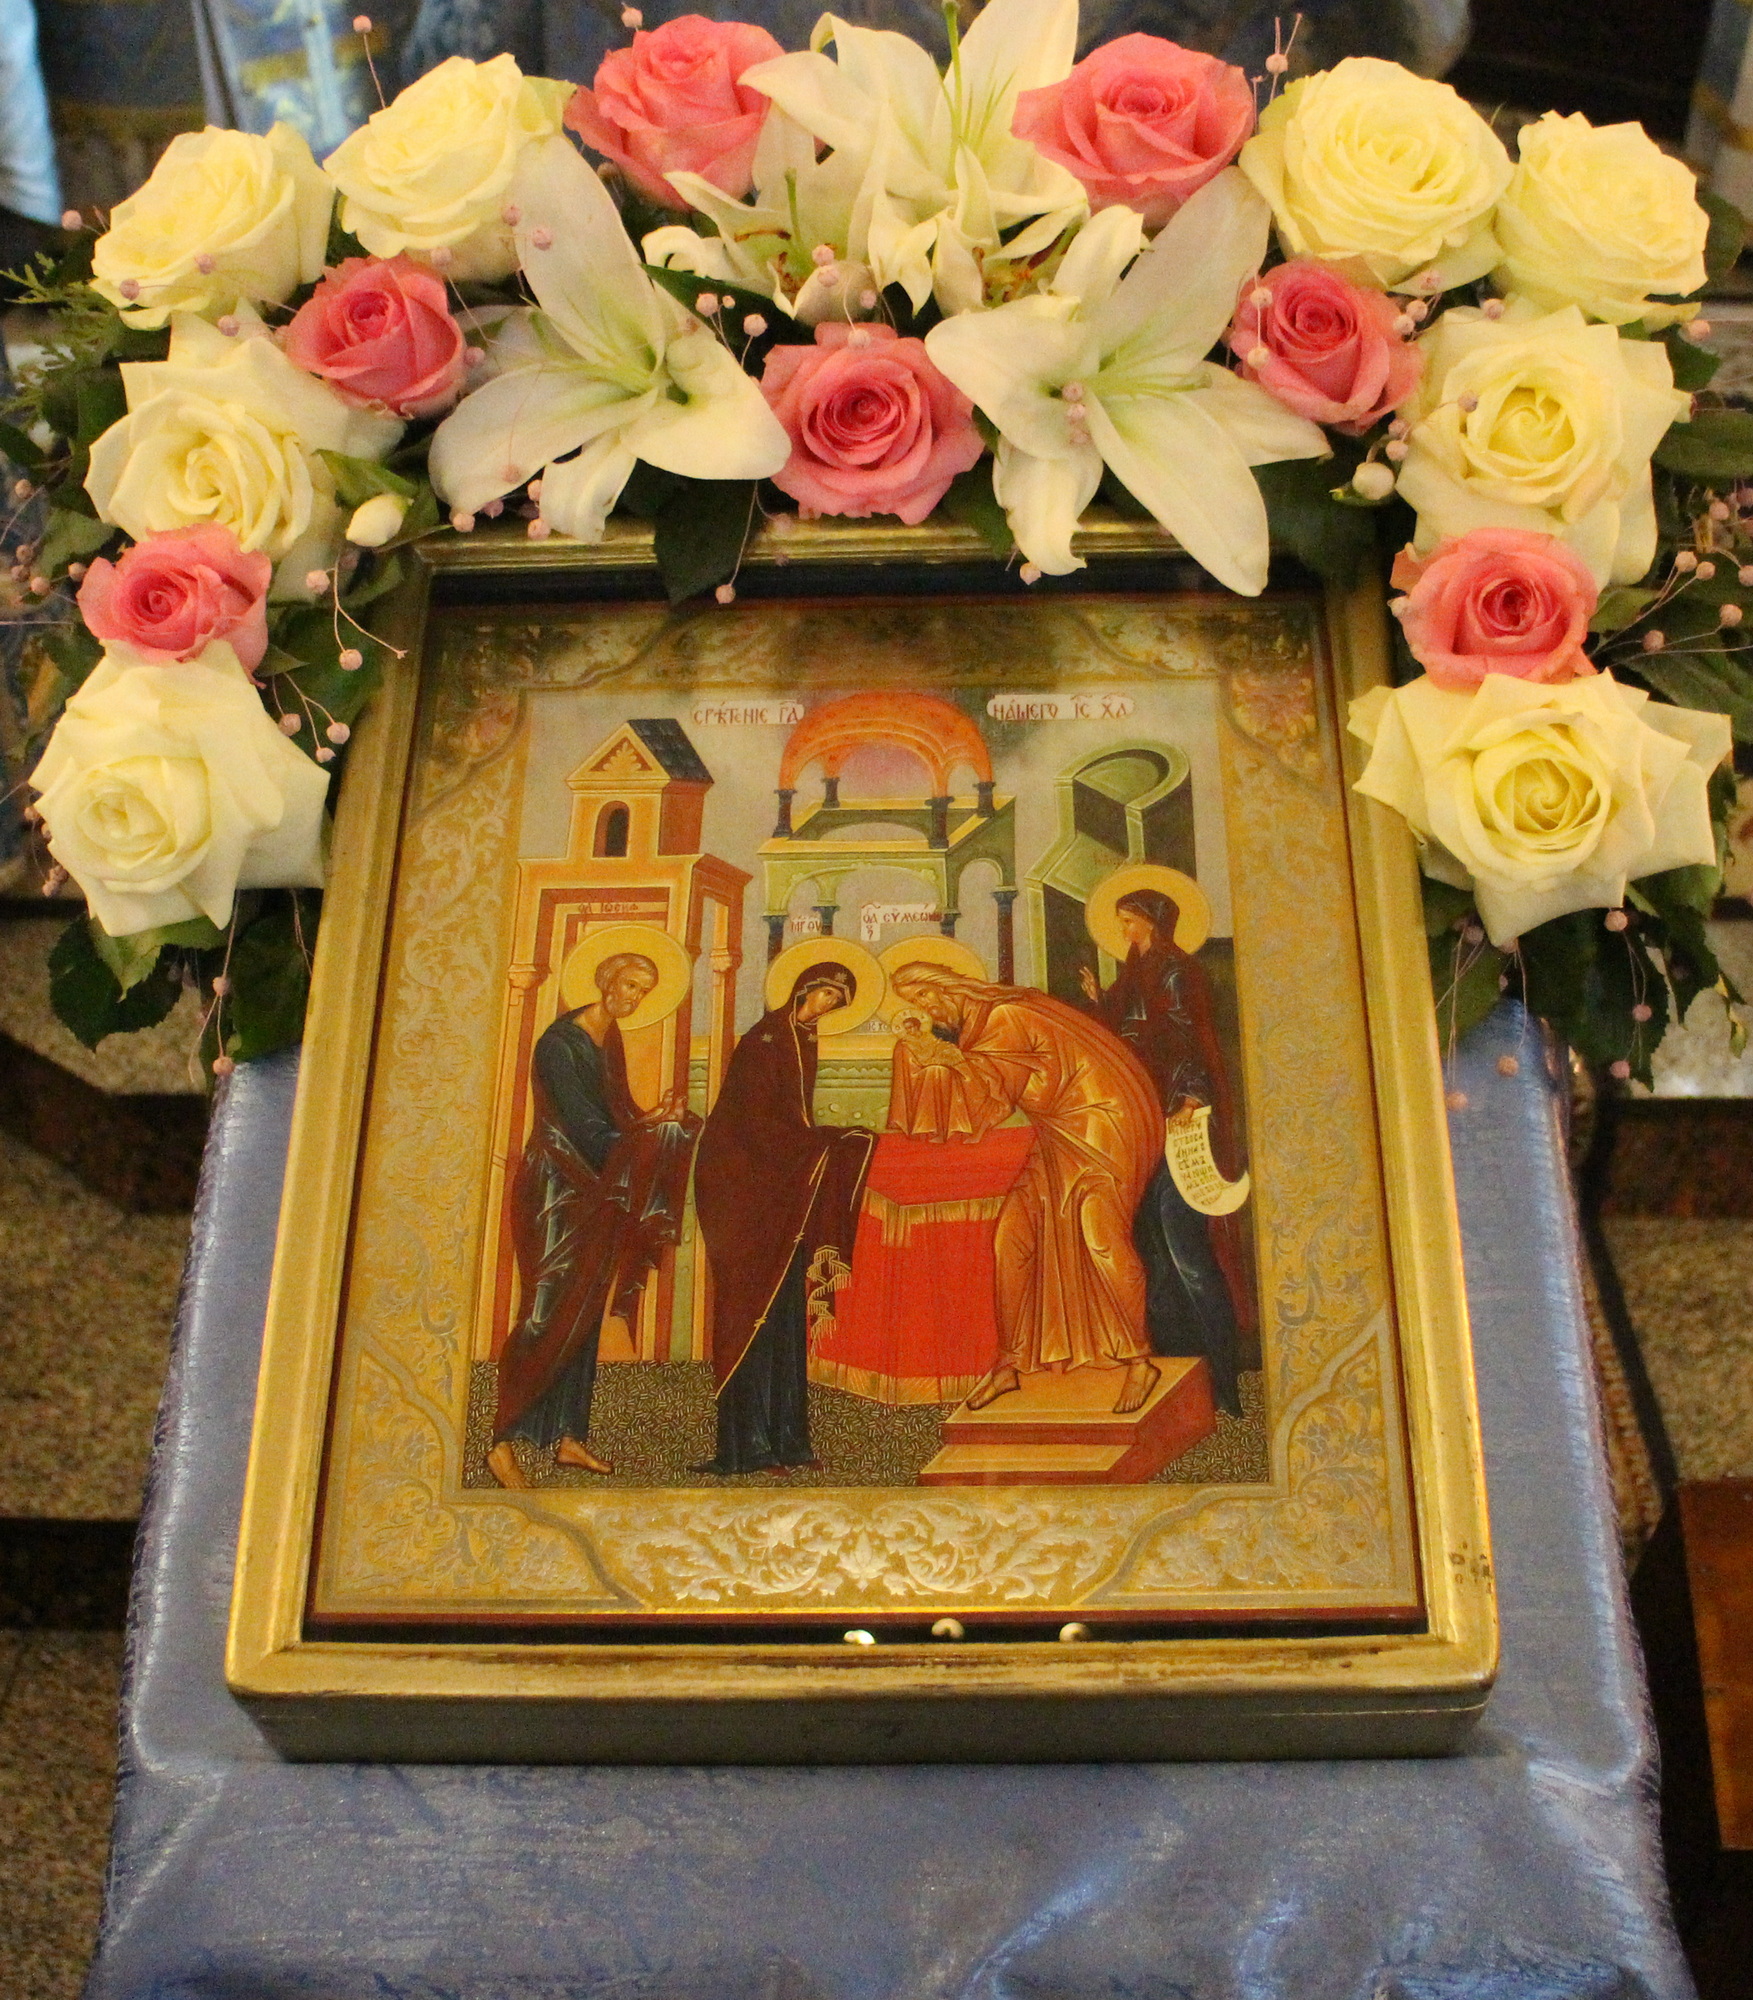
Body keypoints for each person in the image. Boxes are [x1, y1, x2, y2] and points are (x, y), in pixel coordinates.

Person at [886, 961, 1162, 1415]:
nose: (926, 1010)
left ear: (947, 987)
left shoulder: (1003, 1017)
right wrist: (929, 1055)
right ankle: (1008, 1364)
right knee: (1012, 1237)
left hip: (1099, 1124)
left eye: (925, 997)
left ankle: (1139, 1358)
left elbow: (991, 1100)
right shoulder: (981, 1026)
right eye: (915, 1003)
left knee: (1101, 1236)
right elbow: (982, 1081)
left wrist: (938, 1057)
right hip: (1056, 1133)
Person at [486, 951, 700, 1488]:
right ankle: (501, 1440)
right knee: (545, 1309)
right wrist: (646, 1136)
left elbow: (618, 1112)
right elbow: (582, 1126)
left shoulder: (610, 1038)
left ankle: (568, 1437)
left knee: (584, 1310)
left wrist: (657, 1118)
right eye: (629, 986)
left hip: (596, 1187)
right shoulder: (560, 1044)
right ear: (606, 980)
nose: (634, 998)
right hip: (556, 1187)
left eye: (642, 992)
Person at [692, 961, 875, 1474]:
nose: (827, 1007)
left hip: (778, 1191)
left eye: (837, 1003)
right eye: (825, 995)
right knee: (751, 1312)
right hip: (742, 1190)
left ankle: (789, 1442)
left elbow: (791, 1123)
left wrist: (820, 1142)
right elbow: (756, 1125)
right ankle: (746, 1448)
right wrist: (826, 1141)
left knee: (786, 1314)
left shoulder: (802, 1040)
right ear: (803, 988)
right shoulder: (765, 1041)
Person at [1079, 889, 1252, 1415]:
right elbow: (1125, 1032)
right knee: (1150, 1251)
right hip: (1142, 1118)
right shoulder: (1135, 970)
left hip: (1178, 1116)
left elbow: (1186, 1036)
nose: (1124, 930)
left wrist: (1193, 1094)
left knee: (1186, 1253)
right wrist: (1099, 1001)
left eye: (1129, 920)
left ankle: (1223, 1382)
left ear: (1152, 921)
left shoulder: (1177, 970)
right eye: (1121, 921)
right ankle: (1178, 1376)